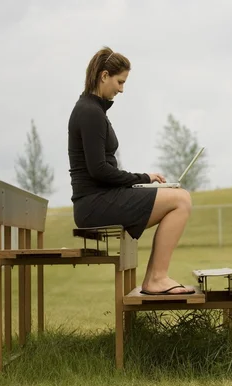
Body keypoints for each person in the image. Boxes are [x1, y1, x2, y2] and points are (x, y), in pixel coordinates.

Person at [68, 46, 194, 295]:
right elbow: (99, 171)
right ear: (104, 76)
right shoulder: (90, 112)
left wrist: (141, 182)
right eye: (120, 81)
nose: (121, 89)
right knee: (181, 200)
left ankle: (155, 279)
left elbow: (102, 171)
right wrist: (143, 178)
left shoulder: (92, 110)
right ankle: (156, 279)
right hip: (93, 204)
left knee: (179, 197)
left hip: (98, 199)